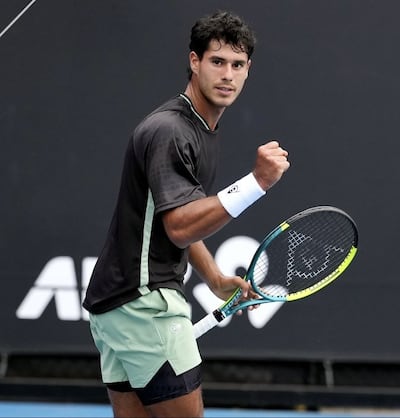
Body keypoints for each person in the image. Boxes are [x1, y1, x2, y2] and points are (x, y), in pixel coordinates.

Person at [83, 10, 290, 418]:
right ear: (194, 62)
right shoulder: (171, 131)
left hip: (117, 305)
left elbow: (175, 217)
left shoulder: (196, 129)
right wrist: (257, 183)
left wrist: (214, 278)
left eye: (237, 65)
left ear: (248, 70)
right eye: (217, 61)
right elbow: (179, 227)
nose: (227, 75)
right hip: (145, 302)